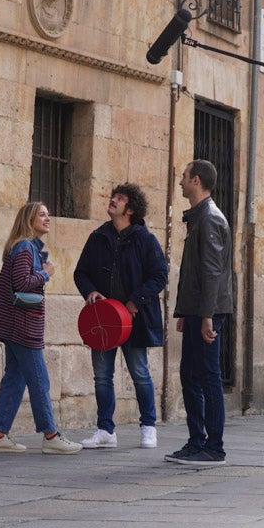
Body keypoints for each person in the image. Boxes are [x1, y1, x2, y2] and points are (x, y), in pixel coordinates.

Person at [74, 183, 168, 450]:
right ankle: (105, 430)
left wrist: (135, 302)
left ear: (131, 208)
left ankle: (148, 427)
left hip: (134, 319)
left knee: (139, 372)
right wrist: (90, 291)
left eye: (120, 198)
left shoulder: (145, 239)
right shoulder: (97, 237)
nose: (113, 200)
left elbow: (159, 275)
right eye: (113, 196)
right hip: (103, 320)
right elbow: (81, 272)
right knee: (102, 375)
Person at [0, 202, 82, 455]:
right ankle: (50, 435)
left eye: (49, 214)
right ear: (29, 220)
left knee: (15, 379)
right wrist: (46, 274)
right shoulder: (26, 247)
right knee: (40, 380)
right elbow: (21, 282)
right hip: (23, 326)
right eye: (42, 215)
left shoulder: (24, 247)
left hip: (16, 324)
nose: (47, 218)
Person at [165, 160, 233, 466]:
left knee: (207, 377)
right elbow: (195, 272)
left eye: (183, 177)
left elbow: (211, 271)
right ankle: (196, 441)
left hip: (208, 312)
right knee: (189, 374)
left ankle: (213, 447)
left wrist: (205, 315)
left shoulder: (209, 219)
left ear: (196, 180)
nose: (179, 181)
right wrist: (186, 311)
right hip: (197, 311)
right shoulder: (199, 218)